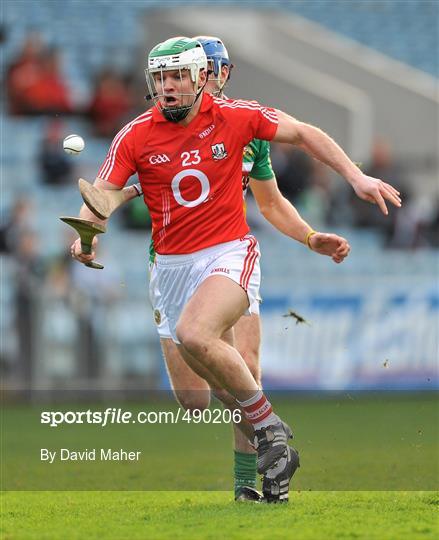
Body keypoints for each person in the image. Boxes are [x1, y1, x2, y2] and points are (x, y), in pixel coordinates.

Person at [71, 36, 401, 502]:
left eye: (176, 76)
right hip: (169, 266)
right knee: (197, 398)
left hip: (227, 252)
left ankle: (263, 458)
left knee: (210, 342)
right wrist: (86, 233)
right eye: (160, 78)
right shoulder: (135, 134)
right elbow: (101, 197)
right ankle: (270, 434)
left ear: (202, 77)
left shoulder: (239, 118)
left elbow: (301, 141)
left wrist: (355, 178)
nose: (166, 87)